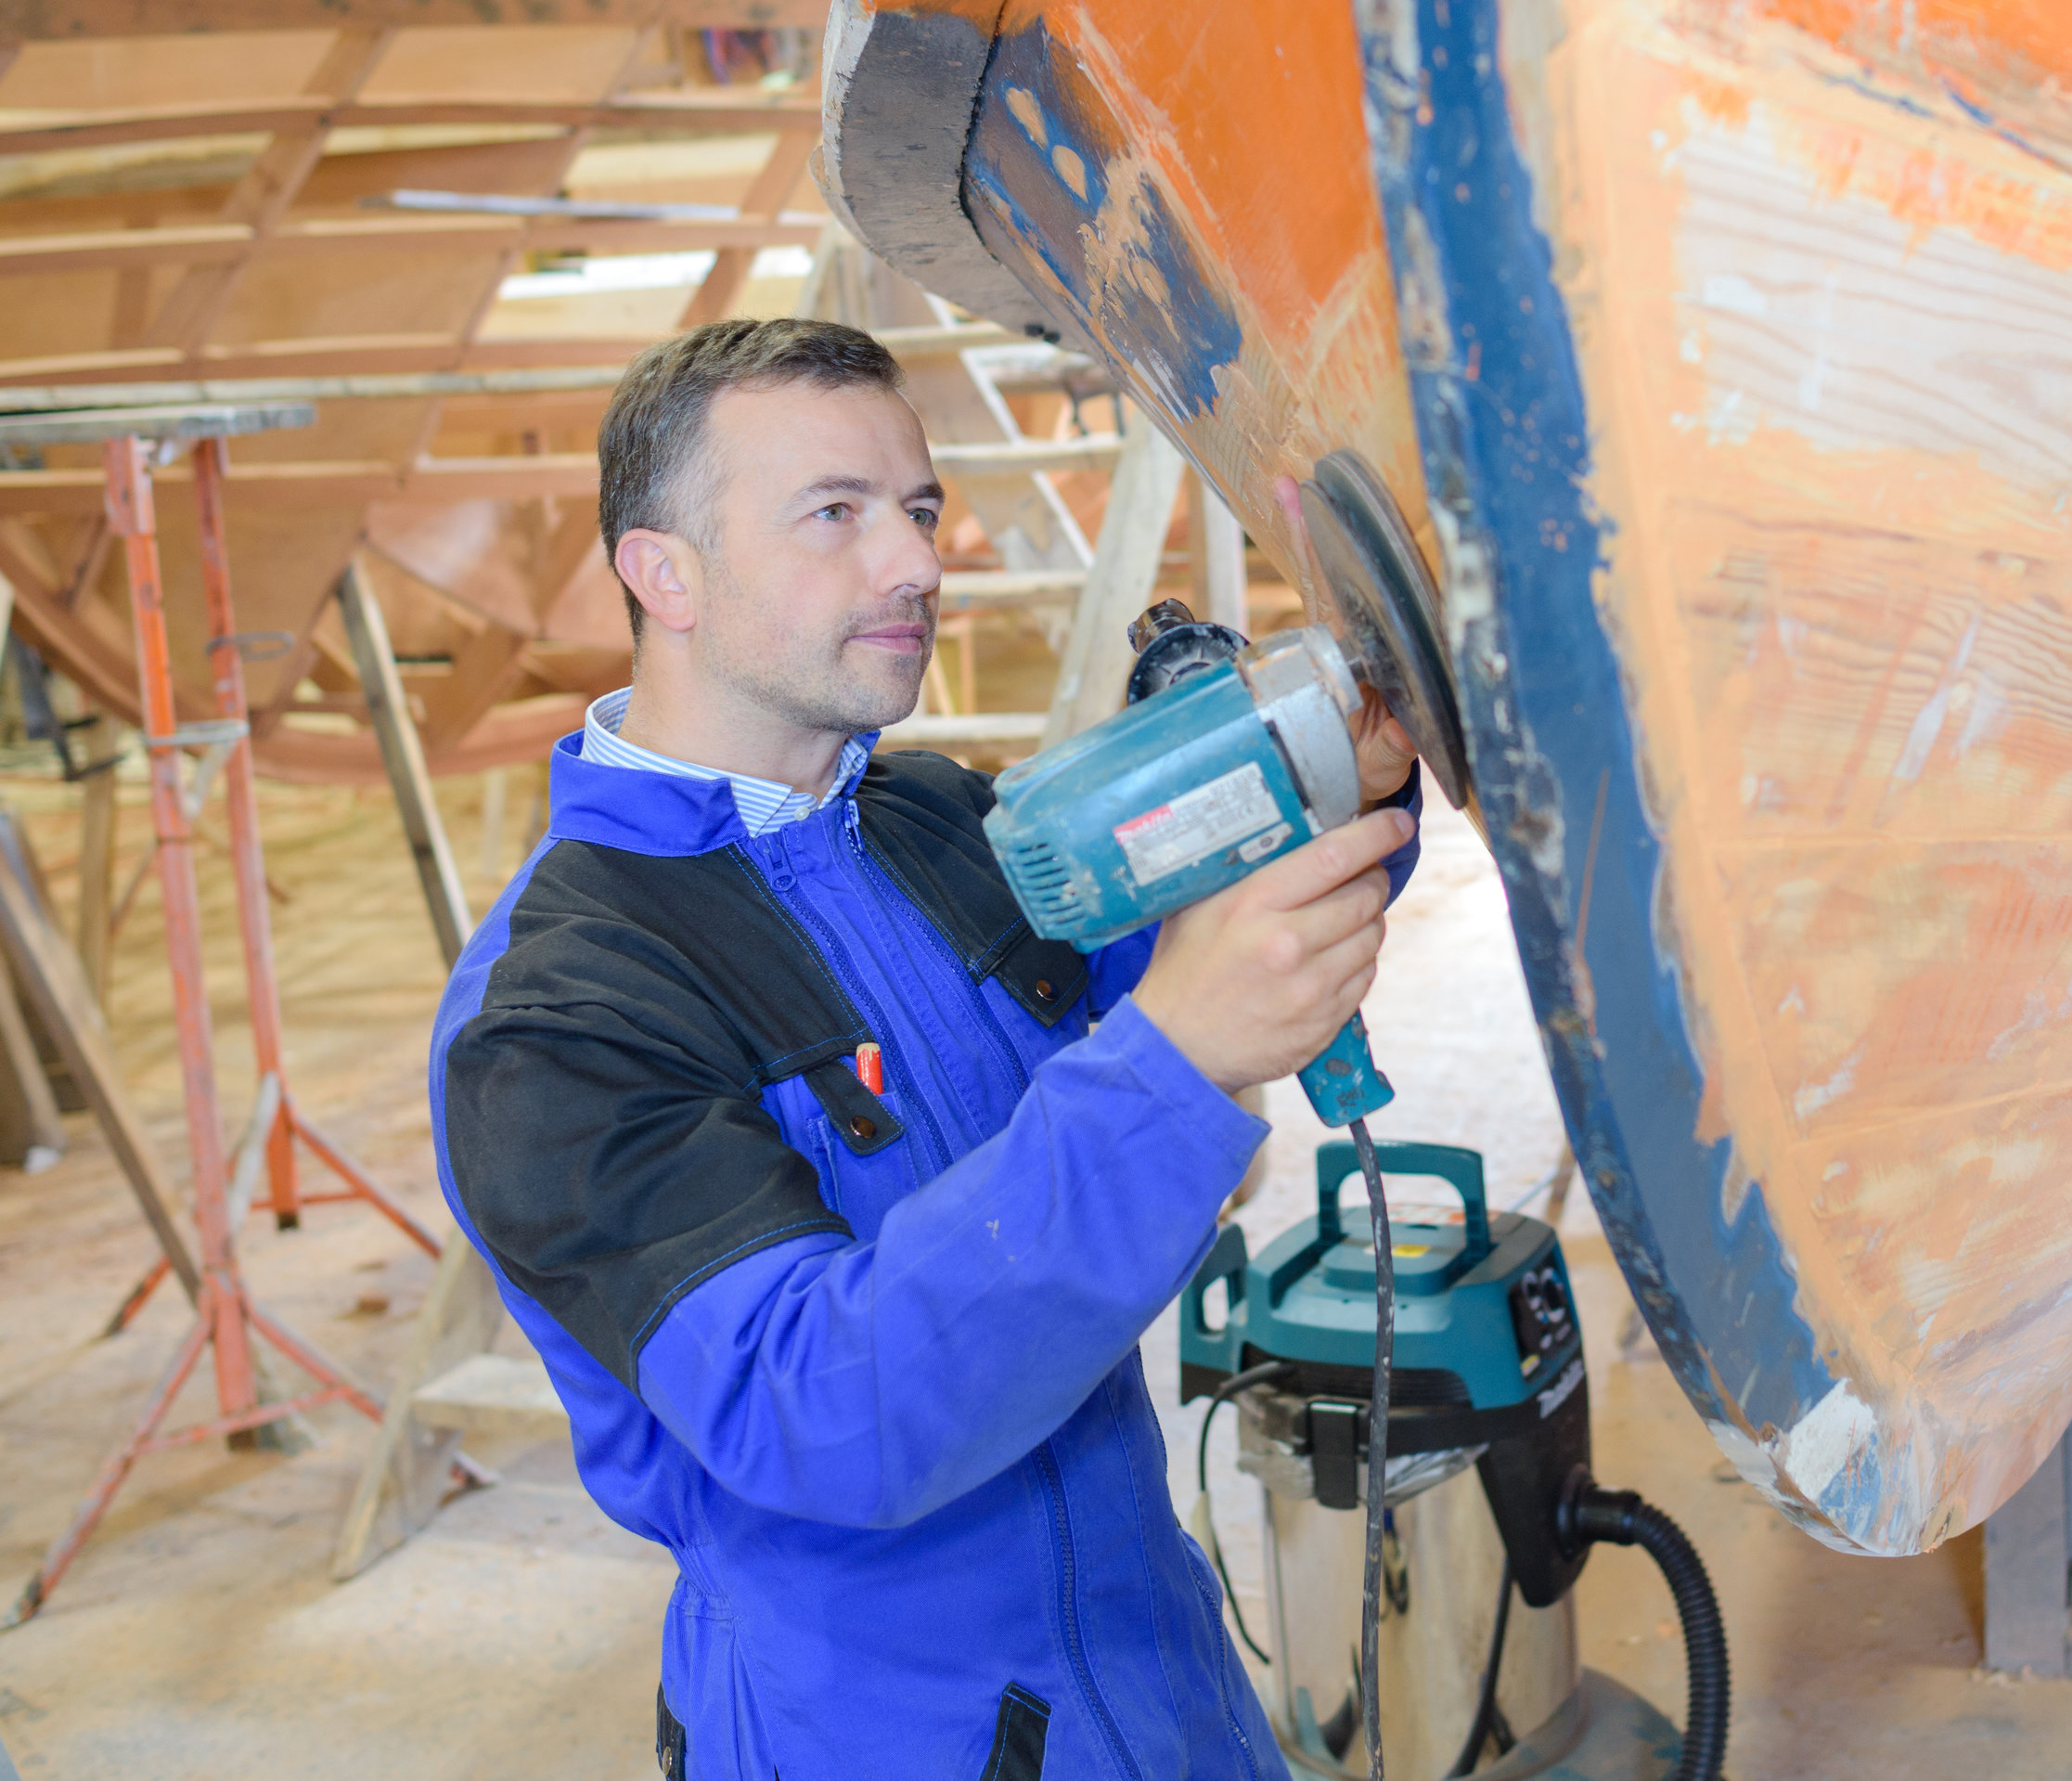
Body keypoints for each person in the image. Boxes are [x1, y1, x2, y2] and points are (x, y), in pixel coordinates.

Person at [428, 317, 1422, 1780]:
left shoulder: (936, 822)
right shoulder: (560, 1011)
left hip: (1159, 1672)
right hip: (879, 1729)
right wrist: (1174, 1056)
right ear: (664, 572)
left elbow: (1203, 930)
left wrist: (1344, 759)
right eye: (835, 515)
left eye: (917, 510)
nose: (914, 563)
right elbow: (822, 1413)